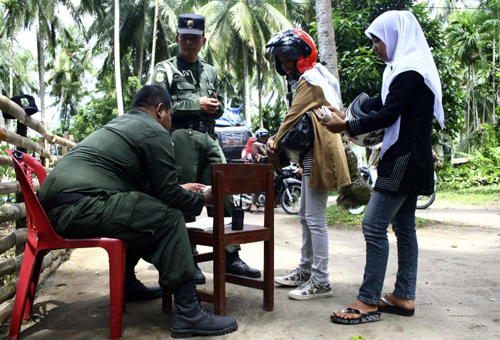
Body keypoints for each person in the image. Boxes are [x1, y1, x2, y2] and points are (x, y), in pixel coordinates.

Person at [37, 86, 238, 337]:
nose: (169, 123)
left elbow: (148, 189)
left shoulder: (122, 125)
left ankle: (128, 286)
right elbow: (168, 197)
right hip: (78, 207)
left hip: (56, 209)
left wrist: (177, 189)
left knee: (141, 211)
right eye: (170, 117)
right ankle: (189, 313)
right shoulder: (153, 130)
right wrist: (203, 199)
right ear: (160, 109)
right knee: (167, 218)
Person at [323, 11, 445, 324]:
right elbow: (381, 103)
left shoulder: (409, 71)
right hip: (412, 159)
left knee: (373, 225)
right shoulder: (404, 69)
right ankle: (403, 295)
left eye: (378, 39)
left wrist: (345, 126)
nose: (375, 46)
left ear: (395, 36)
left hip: (402, 160)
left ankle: (367, 301)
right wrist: (344, 115)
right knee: (404, 228)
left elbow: (388, 115)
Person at [150, 14, 261, 283]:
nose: (189, 42)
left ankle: (230, 256)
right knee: (185, 196)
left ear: (203, 41)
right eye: (184, 38)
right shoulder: (165, 69)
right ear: (177, 39)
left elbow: (216, 103)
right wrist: (194, 105)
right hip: (180, 137)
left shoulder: (210, 70)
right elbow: (154, 104)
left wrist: (216, 106)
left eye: (195, 38)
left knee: (224, 192)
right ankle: (187, 258)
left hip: (210, 138)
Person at [264, 29, 351, 300]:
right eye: (281, 60)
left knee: (314, 219)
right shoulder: (319, 75)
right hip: (314, 153)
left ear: (303, 55)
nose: (285, 64)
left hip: (320, 153)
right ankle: (305, 270)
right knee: (305, 216)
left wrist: (274, 142)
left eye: (288, 58)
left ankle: (321, 280)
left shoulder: (310, 80)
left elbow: (292, 117)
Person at [249, 128, 269, 213]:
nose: (264, 138)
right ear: (258, 137)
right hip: (256, 169)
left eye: (265, 136)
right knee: (258, 185)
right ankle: (253, 204)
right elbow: (256, 155)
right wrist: (263, 157)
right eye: (262, 136)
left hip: (265, 168)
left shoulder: (266, 145)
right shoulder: (255, 145)